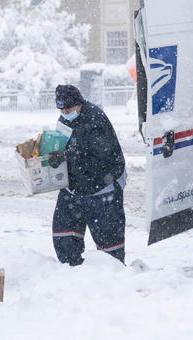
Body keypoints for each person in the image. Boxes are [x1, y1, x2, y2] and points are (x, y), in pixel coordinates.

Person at [48, 84, 127, 265]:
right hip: (74, 186)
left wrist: (69, 155)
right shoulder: (65, 118)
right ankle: (70, 269)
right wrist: (55, 155)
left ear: (79, 103)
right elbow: (62, 142)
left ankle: (114, 275)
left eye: (68, 108)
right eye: (61, 109)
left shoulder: (95, 120)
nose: (65, 112)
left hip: (103, 184)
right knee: (64, 232)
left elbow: (102, 156)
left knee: (108, 240)